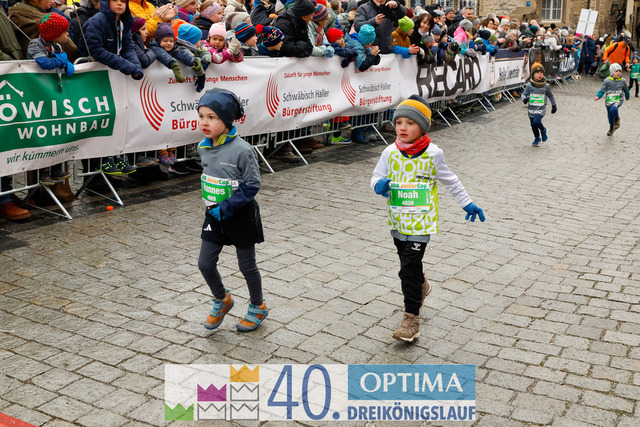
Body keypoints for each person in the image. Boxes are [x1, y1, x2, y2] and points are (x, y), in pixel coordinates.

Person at [370, 95, 485, 342]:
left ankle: (411, 319)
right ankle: (421, 285)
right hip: (398, 221)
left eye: (410, 123)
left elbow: (451, 181)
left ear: (422, 127)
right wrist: (379, 185)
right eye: (398, 122)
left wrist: (467, 203)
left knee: (408, 268)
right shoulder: (390, 152)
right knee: (408, 267)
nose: (402, 128)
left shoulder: (433, 154)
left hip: (421, 223)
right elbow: (376, 177)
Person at [197, 88, 268, 332]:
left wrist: (226, 206)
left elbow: (252, 185)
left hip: (240, 216)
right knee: (205, 263)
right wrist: (213, 204)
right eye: (201, 116)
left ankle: (258, 306)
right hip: (214, 215)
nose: (204, 122)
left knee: (246, 265)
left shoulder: (243, 150)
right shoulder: (203, 147)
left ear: (227, 120)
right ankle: (222, 299)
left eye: (212, 117)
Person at [28, 12, 75, 185]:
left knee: (56, 132)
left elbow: (59, 61)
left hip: (54, 93)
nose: (68, 34)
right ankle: (44, 171)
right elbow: (44, 63)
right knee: (43, 134)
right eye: (65, 32)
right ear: (54, 33)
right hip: (39, 94)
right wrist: (60, 60)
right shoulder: (35, 44)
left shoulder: (58, 46)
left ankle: (56, 166)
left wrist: (65, 63)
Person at [521, 62, 557, 147]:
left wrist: (554, 105)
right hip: (531, 109)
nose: (539, 74)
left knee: (536, 122)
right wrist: (524, 99)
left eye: (541, 72)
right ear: (533, 75)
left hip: (541, 109)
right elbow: (523, 94)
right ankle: (537, 138)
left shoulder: (546, 86)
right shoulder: (529, 86)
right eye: (537, 73)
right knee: (533, 125)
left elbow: (551, 96)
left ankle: (543, 130)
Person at [595, 62, 630, 136]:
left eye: (619, 71)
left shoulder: (623, 81)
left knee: (613, 109)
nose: (618, 73)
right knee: (610, 116)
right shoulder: (607, 81)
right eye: (616, 71)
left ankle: (617, 120)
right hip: (609, 100)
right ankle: (611, 128)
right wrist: (598, 96)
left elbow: (626, 90)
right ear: (611, 72)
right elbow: (602, 90)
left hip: (618, 100)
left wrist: (627, 97)